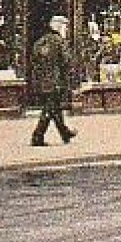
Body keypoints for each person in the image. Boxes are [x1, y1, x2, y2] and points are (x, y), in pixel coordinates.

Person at [30, 16, 77, 147]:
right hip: (55, 81)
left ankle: (64, 132)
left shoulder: (41, 41)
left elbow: (34, 60)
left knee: (55, 108)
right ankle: (37, 136)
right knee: (50, 108)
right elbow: (66, 61)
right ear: (60, 27)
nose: (67, 30)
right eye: (65, 27)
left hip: (41, 81)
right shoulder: (59, 41)